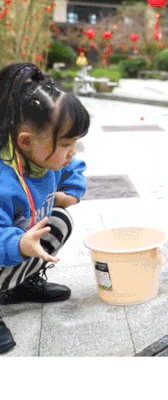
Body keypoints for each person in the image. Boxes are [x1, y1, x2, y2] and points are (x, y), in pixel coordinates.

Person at [0, 63, 90, 354]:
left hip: (16, 238)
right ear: (26, 141)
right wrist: (19, 244)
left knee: (59, 220)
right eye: (66, 144)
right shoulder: (4, 182)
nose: (72, 152)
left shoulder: (42, 157)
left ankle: (18, 286)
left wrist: (72, 193)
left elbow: (74, 168)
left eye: (74, 142)